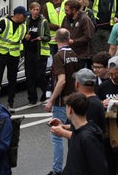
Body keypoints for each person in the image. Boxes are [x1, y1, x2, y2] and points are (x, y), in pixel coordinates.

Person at [45, 28, 79, 175]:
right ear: (69, 39)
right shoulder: (73, 54)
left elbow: (62, 80)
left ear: (55, 39)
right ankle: (75, 166)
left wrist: (51, 100)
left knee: (57, 134)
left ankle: (57, 170)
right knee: (73, 133)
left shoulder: (59, 56)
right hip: (74, 99)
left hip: (61, 101)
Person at [0, 6, 28, 109]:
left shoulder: (24, 26)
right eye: (24, 15)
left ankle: (10, 103)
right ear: (17, 15)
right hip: (1, 53)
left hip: (14, 55)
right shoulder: (5, 22)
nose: (25, 18)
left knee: (12, 80)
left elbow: (23, 40)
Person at [51, 93, 107, 175]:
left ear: (70, 109)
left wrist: (62, 132)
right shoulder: (88, 129)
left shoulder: (86, 138)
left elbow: (99, 169)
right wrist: (63, 126)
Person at [23, 2, 50, 105]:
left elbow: (48, 37)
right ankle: (32, 98)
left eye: (38, 10)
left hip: (40, 53)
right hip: (29, 52)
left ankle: (47, 93)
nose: (36, 12)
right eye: (34, 9)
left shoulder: (43, 22)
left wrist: (42, 38)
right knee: (29, 76)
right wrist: (26, 38)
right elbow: (23, 35)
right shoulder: (27, 21)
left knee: (40, 76)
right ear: (30, 10)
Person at [62, 0, 95, 68]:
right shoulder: (66, 18)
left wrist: (74, 41)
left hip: (82, 55)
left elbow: (88, 36)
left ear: (74, 10)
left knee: (79, 76)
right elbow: (62, 30)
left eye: (67, 10)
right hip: (69, 53)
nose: (65, 12)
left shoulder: (84, 19)